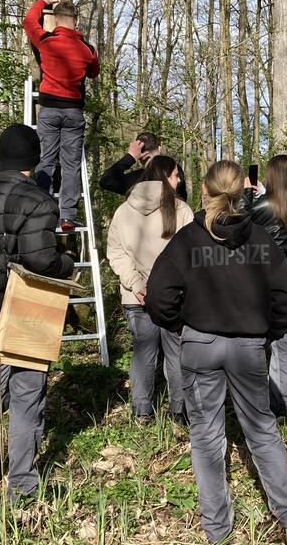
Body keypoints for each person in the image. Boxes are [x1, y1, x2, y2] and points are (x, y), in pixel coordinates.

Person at [145, 160, 287, 543]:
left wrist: (182, 326)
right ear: (242, 192)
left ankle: (217, 528)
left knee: (205, 436)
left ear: (205, 190)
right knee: (261, 429)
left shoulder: (187, 240)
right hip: (247, 347)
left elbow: (157, 298)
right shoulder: (261, 240)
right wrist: (267, 333)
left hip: (200, 347)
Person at [0, 124, 76, 502]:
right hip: (24, 311)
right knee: (27, 397)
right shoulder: (37, 200)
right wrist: (66, 262)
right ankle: (22, 484)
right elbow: (40, 260)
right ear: (34, 158)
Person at [105, 155, 194, 426]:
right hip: (173, 297)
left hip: (136, 295)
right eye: (177, 175)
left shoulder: (124, 210)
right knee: (176, 352)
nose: (179, 180)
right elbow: (190, 257)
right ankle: (179, 410)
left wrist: (137, 284)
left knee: (144, 351)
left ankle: (142, 411)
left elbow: (116, 253)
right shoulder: (181, 211)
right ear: (167, 176)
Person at [24, 0, 101, 231]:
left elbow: (29, 22)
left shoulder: (47, 41)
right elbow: (94, 72)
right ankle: (67, 216)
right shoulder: (86, 49)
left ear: (56, 21)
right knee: (70, 165)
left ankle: (41, 212)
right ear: (76, 22)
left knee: (46, 160)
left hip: (49, 110)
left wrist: (43, 2)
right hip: (73, 112)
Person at [241, 154, 287, 422]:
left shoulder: (267, 205)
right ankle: (283, 402)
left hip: (265, 280)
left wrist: (247, 193)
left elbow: (241, 220)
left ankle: (264, 402)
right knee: (282, 342)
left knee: (259, 341)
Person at [99, 131, 189, 201]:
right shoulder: (174, 172)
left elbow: (106, 180)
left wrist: (130, 157)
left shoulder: (136, 180)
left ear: (139, 154)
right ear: (159, 148)